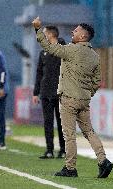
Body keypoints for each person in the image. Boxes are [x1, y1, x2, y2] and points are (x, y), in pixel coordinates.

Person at [32, 17, 113, 178]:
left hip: (69, 98)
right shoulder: (95, 56)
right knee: (89, 131)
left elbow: (49, 47)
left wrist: (38, 30)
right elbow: (97, 81)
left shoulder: (70, 49)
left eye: (75, 31)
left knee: (69, 134)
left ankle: (70, 168)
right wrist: (87, 94)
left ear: (83, 36)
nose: (72, 32)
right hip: (84, 100)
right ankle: (103, 161)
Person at [33, 26, 66, 159]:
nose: (43, 37)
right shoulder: (43, 53)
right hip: (46, 92)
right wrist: (36, 92)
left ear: (51, 35)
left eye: (45, 34)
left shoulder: (62, 50)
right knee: (47, 122)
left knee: (61, 123)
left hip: (60, 93)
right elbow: (39, 73)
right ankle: (49, 150)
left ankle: (63, 150)